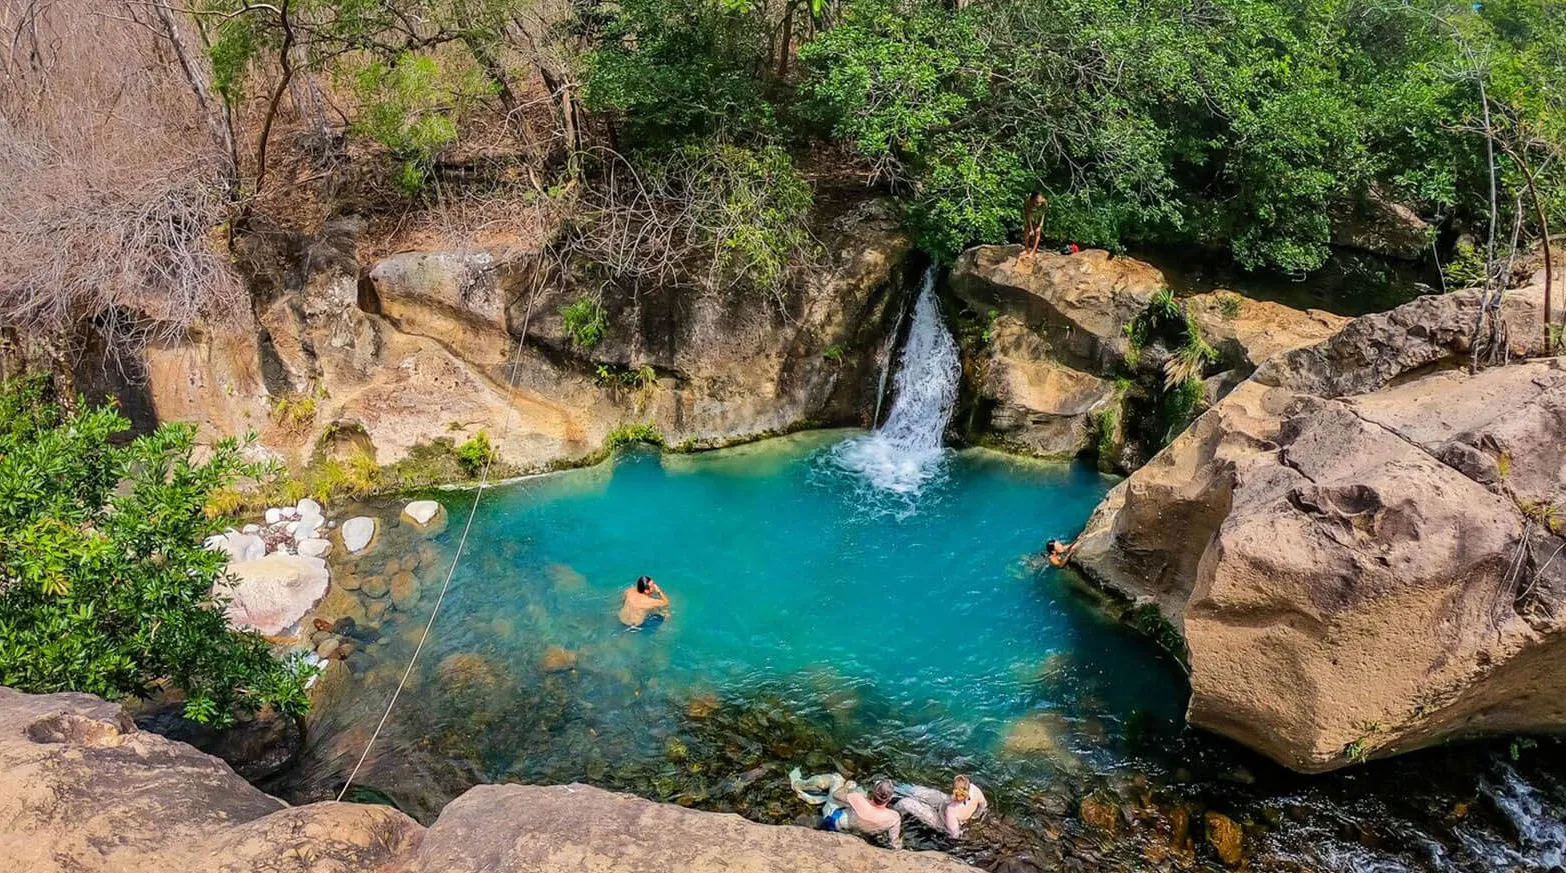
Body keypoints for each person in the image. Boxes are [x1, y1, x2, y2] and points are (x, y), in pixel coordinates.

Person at [790, 769, 904, 849]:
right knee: (858, 790)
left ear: (873, 792)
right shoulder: (893, 817)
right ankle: (821, 797)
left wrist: (847, 786)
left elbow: (837, 795)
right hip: (856, 834)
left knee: (837, 778)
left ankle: (798, 785)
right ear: (889, 799)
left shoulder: (858, 800)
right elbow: (894, 843)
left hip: (832, 822)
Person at [894, 774, 988, 839]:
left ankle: (892, 809)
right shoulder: (974, 789)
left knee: (906, 802)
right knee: (916, 790)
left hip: (942, 822)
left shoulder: (951, 810)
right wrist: (977, 816)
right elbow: (983, 805)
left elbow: (954, 834)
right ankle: (895, 788)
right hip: (946, 802)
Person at [1020, 192, 1048, 260]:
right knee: (1027, 229)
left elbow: (1043, 214)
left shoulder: (1044, 203)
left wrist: (1040, 225)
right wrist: (1031, 229)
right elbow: (1028, 216)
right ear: (1032, 200)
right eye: (1037, 202)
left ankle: (1033, 251)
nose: (1039, 204)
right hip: (1030, 214)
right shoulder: (1028, 203)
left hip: (1039, 214)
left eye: (1040, 202)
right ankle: (1026, 249)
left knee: (1038, 231)